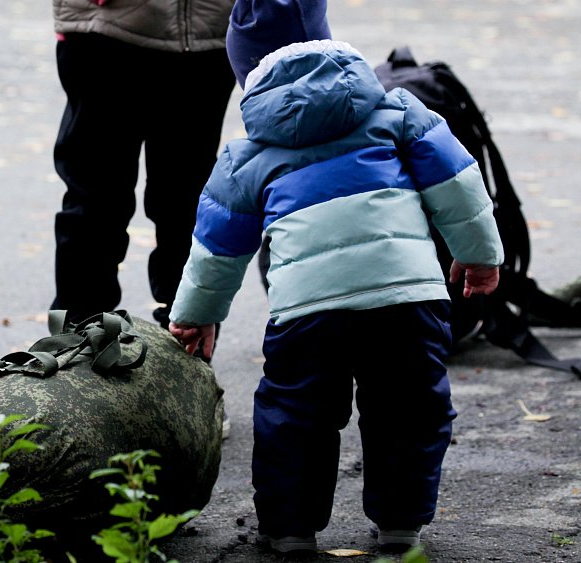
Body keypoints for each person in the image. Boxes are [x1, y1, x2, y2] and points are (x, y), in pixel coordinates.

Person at [168, 0, 503, 554]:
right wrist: (480, 255)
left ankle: (290, 529)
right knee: (409, 409)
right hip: (406, 297)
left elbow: (216, 251)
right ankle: (401, 525)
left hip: (308, 311)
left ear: (247, 72)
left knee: (294, 415)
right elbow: (458, 185)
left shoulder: (245, 157)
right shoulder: (398, 110)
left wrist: (196, 316)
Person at [49, 0, 236, 329]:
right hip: (106, 28)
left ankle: (187, 338)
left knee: (188, 201)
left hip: (209, 32)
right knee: (96, 199)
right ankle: (78, 340)